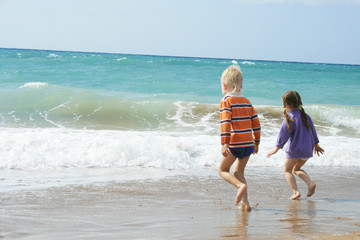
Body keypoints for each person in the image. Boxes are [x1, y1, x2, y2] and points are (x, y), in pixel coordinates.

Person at [267, 90, 324, 200]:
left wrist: (276, 148)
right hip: (307, 150)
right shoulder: (306, 116)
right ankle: (310, 183)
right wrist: (316, 144)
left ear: (286, 105)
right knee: (296, 169)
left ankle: (295, 192)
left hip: (294, 150)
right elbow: (313, 131)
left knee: (287, 170)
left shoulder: (290, 118)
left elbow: (283, 135)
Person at [219, 65, 261, 211]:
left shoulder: (226, 100)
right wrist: (256, 143)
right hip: (248, 144)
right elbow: (256, 123)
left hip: (235, 144)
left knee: (223, 170)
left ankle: (239, 186)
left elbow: (225, 122)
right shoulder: (247, 101)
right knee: (239, 172)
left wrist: (224, 143)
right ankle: (246, 204)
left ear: (224, 85)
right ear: (241, 85)